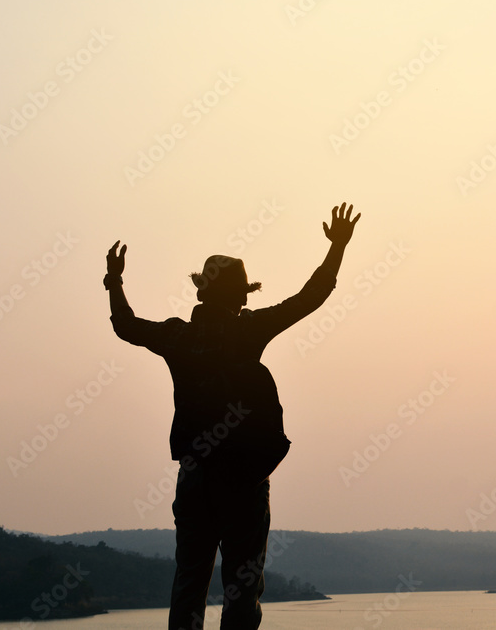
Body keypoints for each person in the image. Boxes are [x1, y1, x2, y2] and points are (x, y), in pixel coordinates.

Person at [105, 203, 360, 630]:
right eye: (243, 293)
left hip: (195, 475)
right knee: (242, 586)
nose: (245, 300)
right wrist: (337, 248)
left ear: (201, 293)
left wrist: (115, 281)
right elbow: (309, 299)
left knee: (190, 580)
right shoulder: (247, 331)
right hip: (243, 478)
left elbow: (124, 324)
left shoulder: (176, 336)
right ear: (238, 296)